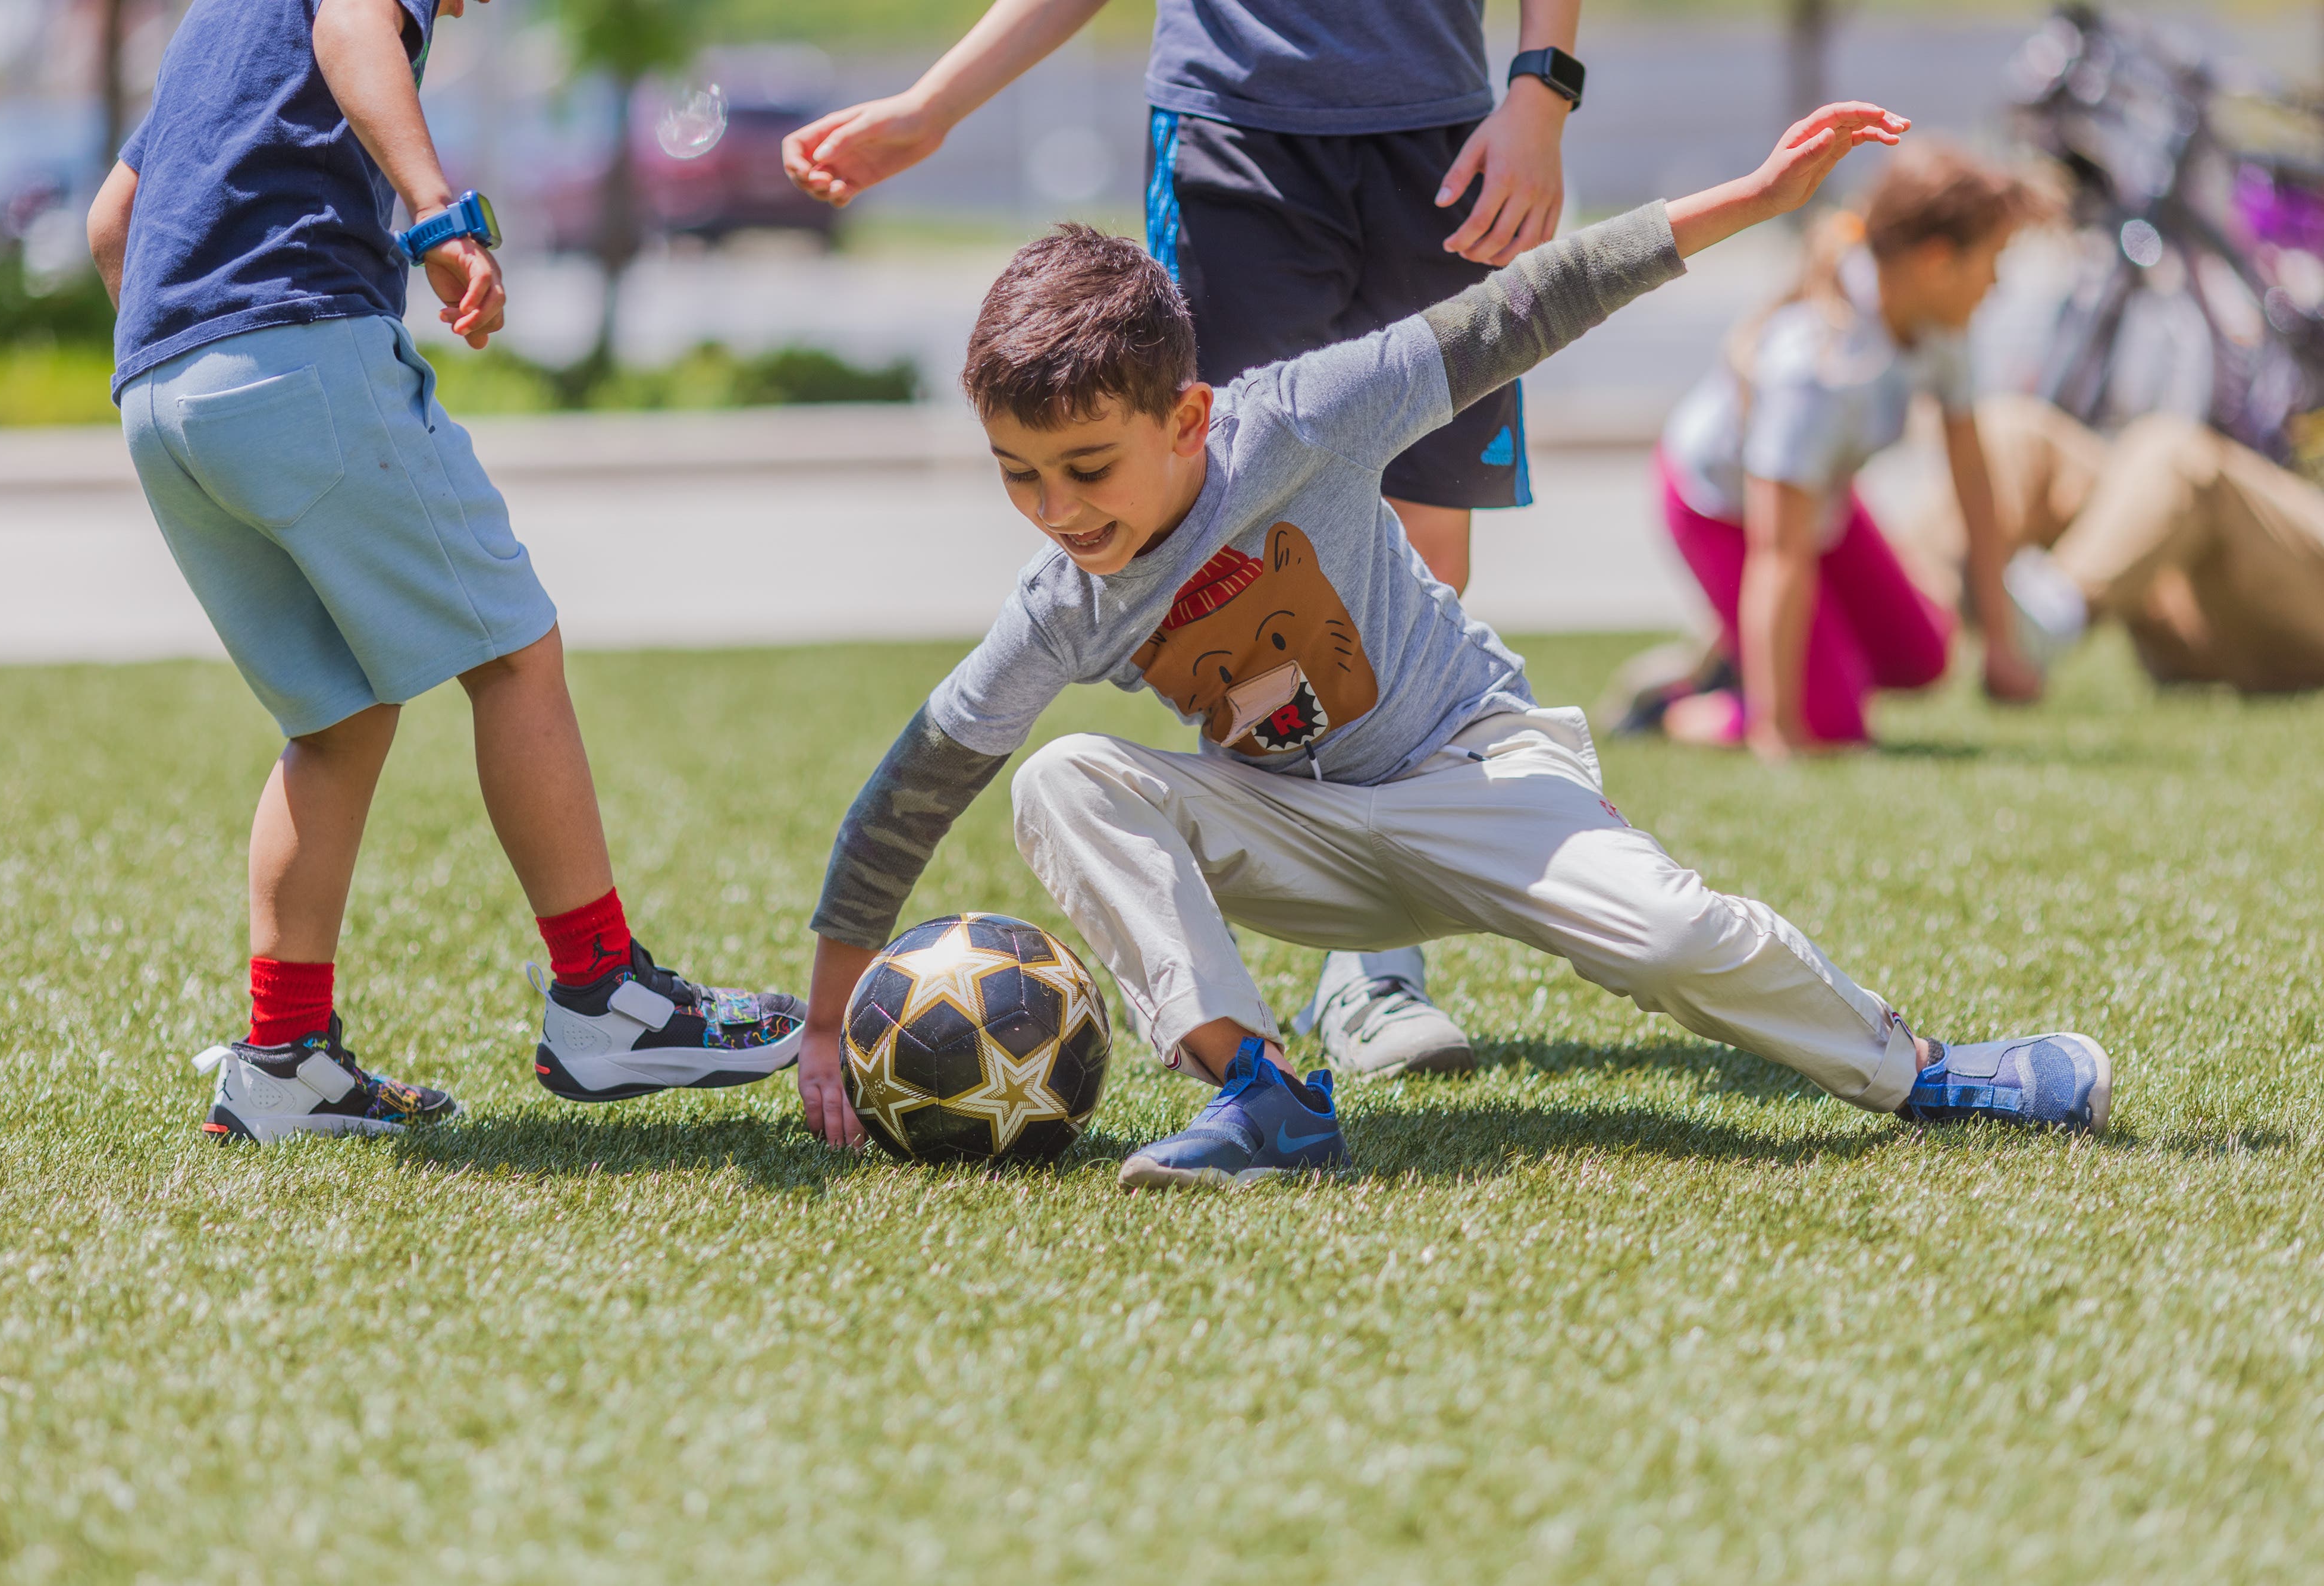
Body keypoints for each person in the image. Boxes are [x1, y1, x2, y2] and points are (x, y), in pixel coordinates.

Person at [789, 104, 2117, 1190]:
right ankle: (1259, 1096)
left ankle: (1926, 1069)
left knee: (1670, 936)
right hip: (1302, 834)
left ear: (1188, 417)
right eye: (1018, 477)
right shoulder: (1062, 598)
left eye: (1084, 465)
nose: (1058, 510)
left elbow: (1524, 307)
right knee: (1061, 774)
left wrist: (1757, 198)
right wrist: (822, 1017)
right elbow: (919, 779)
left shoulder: (1297, 420)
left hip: (1477, 778)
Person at [783, 0, 1590, 1082]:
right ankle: (1320, 983)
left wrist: (1542, 85)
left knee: (1427, 538)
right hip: (1236, 126)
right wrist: (936, 105)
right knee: (1232, 542)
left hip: (1446, 130)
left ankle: (1375, 960)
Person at [84, 0, 802, 1143]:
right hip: (297, 349)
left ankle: (284, 1062)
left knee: (338, 717)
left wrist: (204, 366)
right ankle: (601, 991)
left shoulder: (213, 22)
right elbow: (358, 28)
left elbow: (113, 223)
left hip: (163, 393)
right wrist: (434, 214)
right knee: (514, 656)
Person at [1645, 142, 2060, 757]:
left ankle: (1760, 661)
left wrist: (2000, 643)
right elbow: (1778, 552)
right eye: (1993, 262)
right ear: (1937, 261)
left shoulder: (1940, 321)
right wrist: (1778, 729)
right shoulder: (1820, 366)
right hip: (1720, 510)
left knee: (1922, 658)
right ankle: (1672, 707)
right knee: (1832, 728)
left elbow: (1972, 476)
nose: (1996, 285)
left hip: (1817, 503)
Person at [1887, 394, 2324, 694]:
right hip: (2200, 586)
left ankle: (2043, 623)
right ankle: (1900, 618)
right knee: (2016, 430)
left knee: (2176, 455)